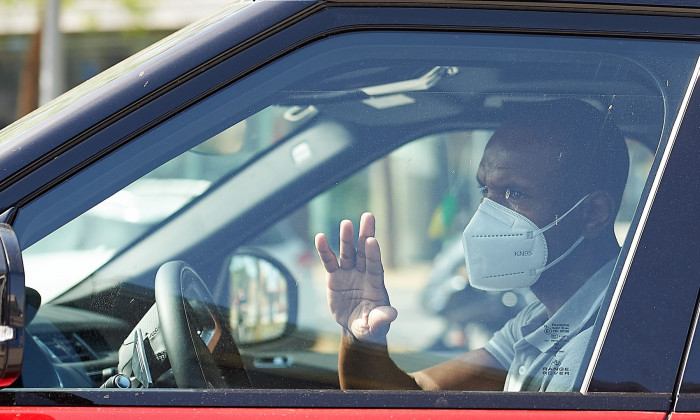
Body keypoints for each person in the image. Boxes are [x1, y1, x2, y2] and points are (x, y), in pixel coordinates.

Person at [314, 99, 630, 392]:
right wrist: (359, 338)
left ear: (593, 214)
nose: (485, 215)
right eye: (485, 190)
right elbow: (420, 397)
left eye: (514, 194)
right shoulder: (541, 320)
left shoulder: (600, 344)